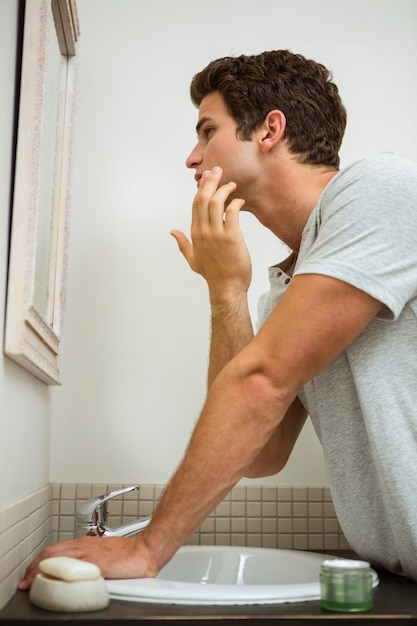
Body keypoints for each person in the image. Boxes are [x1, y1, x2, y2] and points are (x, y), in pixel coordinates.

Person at [20, 49, 417, 589]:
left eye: (208, 131)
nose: (192, 157)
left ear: (270, 129)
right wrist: (226, 290)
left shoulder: (379, 190)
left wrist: (148, 547)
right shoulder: (286, 294)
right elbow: (262, 455)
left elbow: (261, 380)